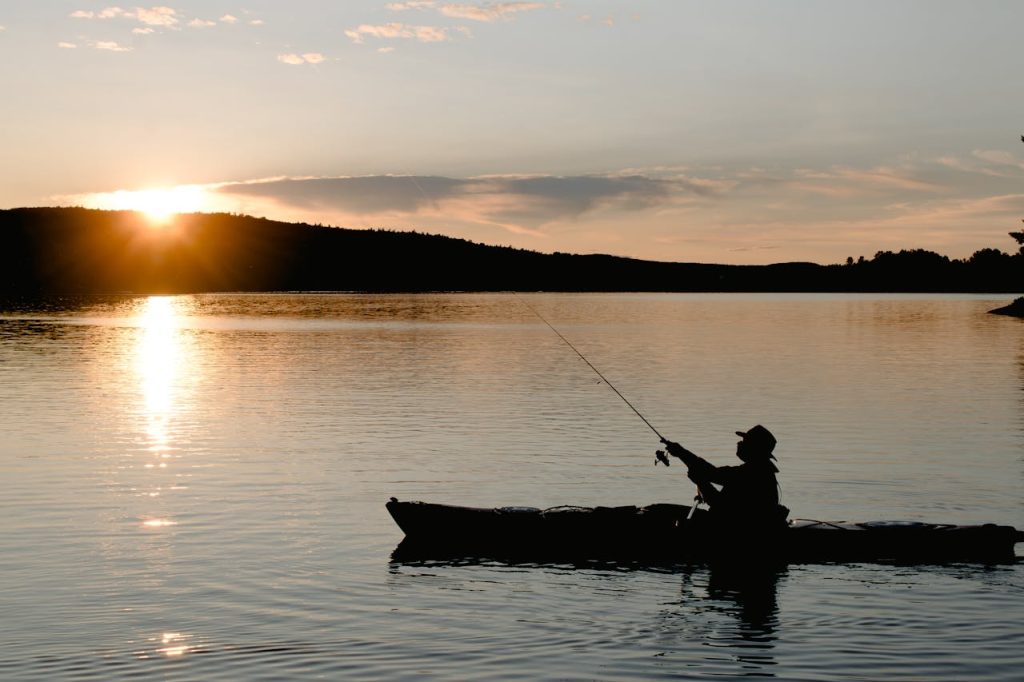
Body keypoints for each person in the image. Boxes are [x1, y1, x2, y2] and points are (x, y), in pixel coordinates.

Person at [660, 425, 788, 528]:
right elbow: (711, 473)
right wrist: (682, 453)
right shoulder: (760, 471)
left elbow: (719, 504)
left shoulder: (749, 474)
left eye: (744, 442)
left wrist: (701, 482)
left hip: (737, 529)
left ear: (754, 449)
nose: (740, 443)